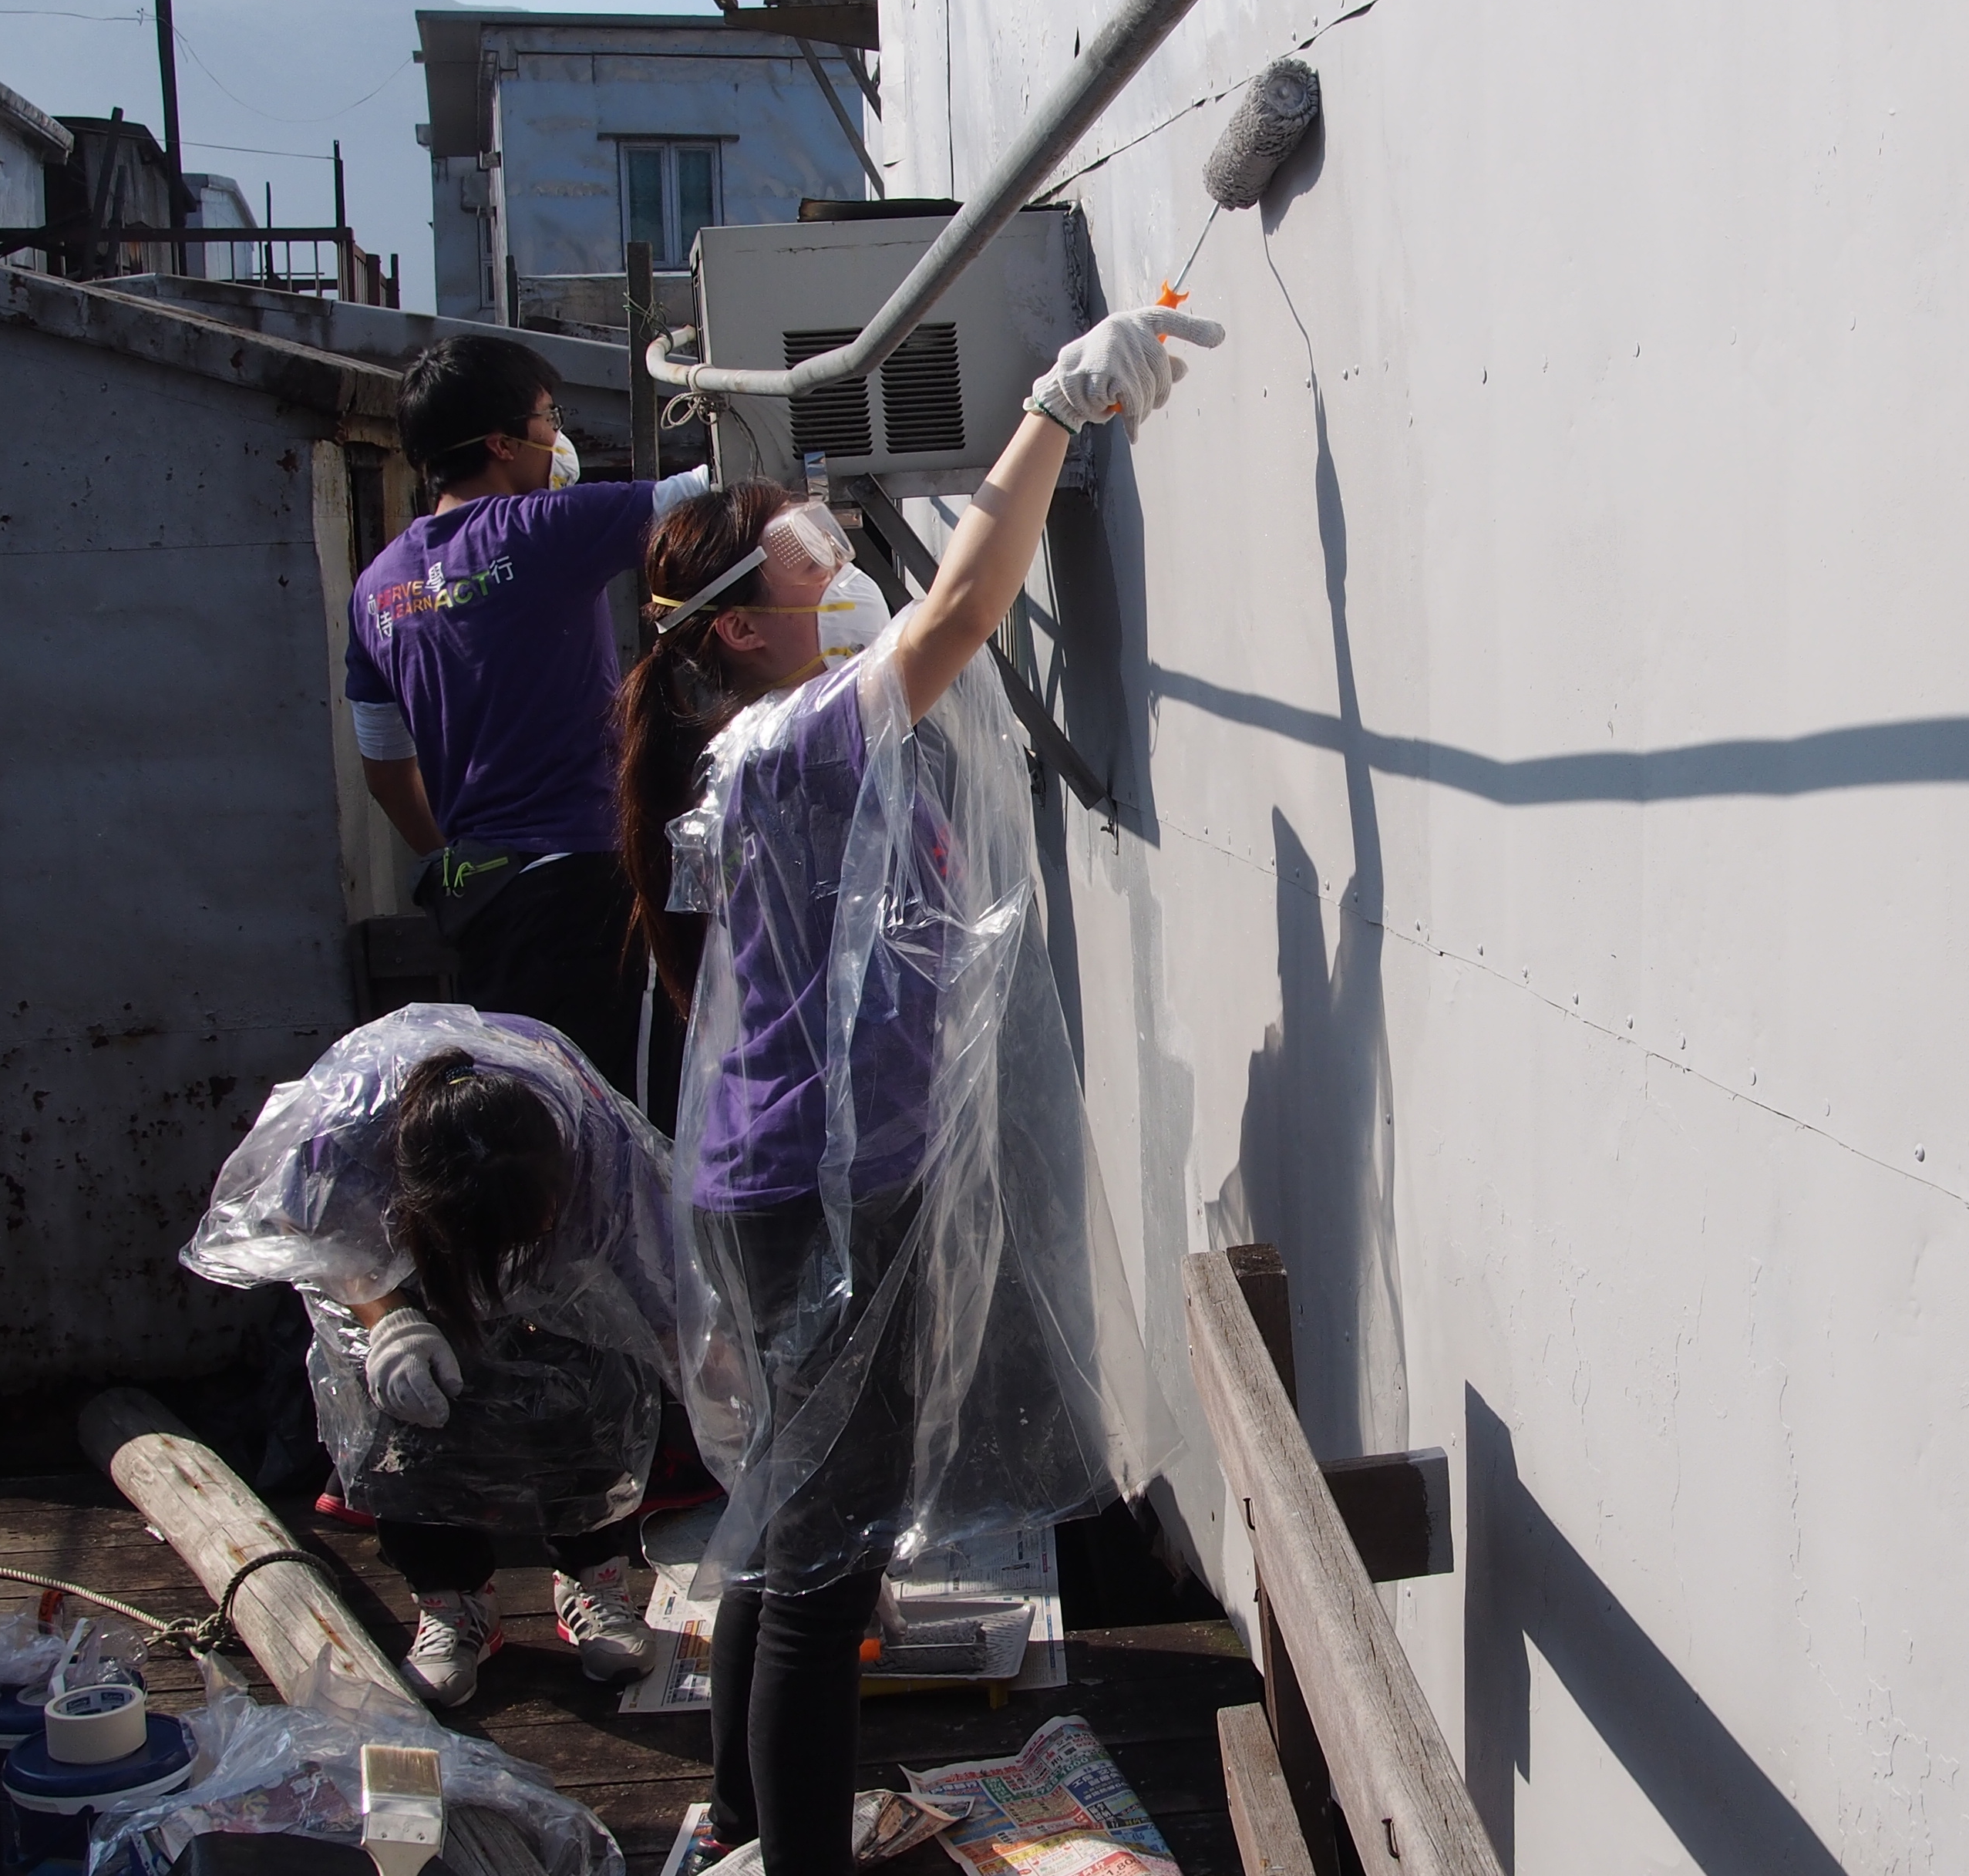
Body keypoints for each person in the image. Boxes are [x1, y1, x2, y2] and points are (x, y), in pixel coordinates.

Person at [626, 307, 1214, 1872]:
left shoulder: (759, 740)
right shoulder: (801, 738)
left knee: (783, 1525)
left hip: (785, 1178)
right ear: (739, 627)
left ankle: (748, 1830)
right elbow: (961, 609)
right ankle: (792, 1859)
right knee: (823, 1561)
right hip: (824, 1191)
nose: (833, 557)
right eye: (804, 543)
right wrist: (1050, 412)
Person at [184, 1006, 701, 1707]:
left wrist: (723, 1401)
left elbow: (661, 1304)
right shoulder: (346, 1133)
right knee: (409, 1412)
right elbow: (314, 1236)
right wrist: (389, 1319)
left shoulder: (599, 1153)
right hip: (405, 1273)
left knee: (593, 1385)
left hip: (557, 1280)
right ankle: (451, 1601)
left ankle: (593, 1576)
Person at [348, 335, 712, 1100]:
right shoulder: (537, 528)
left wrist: (470, 856)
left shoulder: (377, 590)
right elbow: (711, 496)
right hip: (588, 886)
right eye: (550, 418)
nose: (558, 436)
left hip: (489, 904)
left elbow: (385, 770)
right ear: (501, 443)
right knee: (635, 1122)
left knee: (545, 1122)